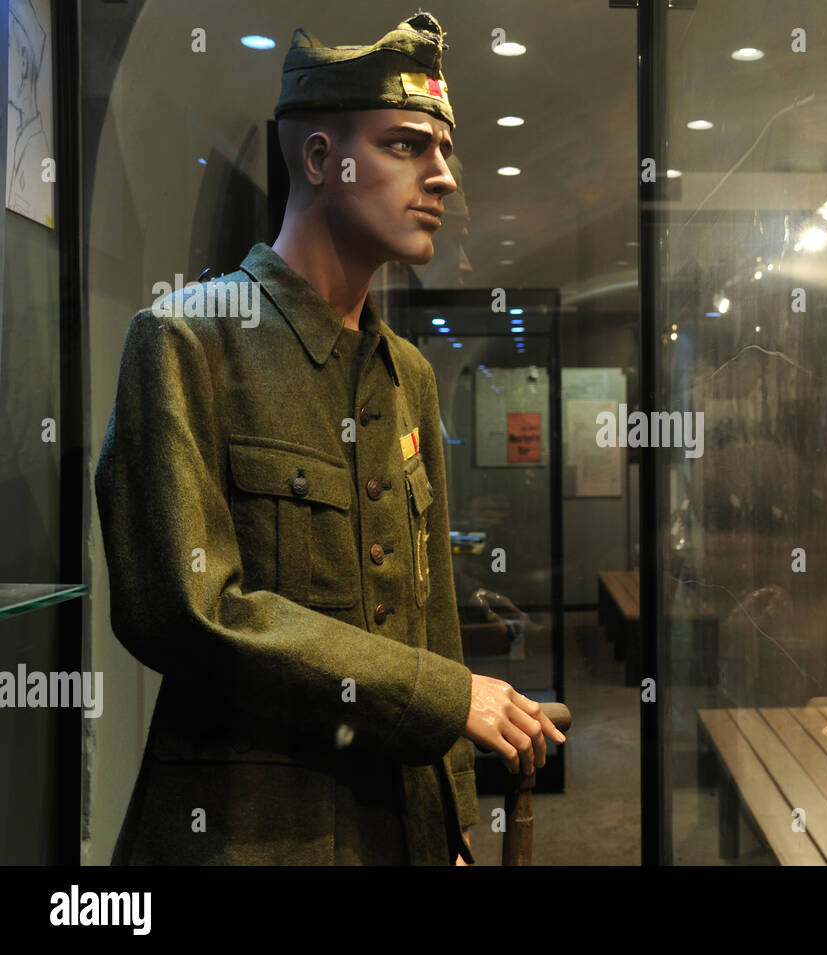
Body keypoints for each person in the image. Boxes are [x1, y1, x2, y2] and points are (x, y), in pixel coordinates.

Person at [94, 12, 564, 866]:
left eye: (445, 151)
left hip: (402, 827)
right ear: (318, 160)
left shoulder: (408, 376)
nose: (444, 177)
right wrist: (442, 697)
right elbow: (188, 611)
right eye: (407, 146)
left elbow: (431, 624)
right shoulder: (187, 342)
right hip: (247, 833)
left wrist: (454, 814)